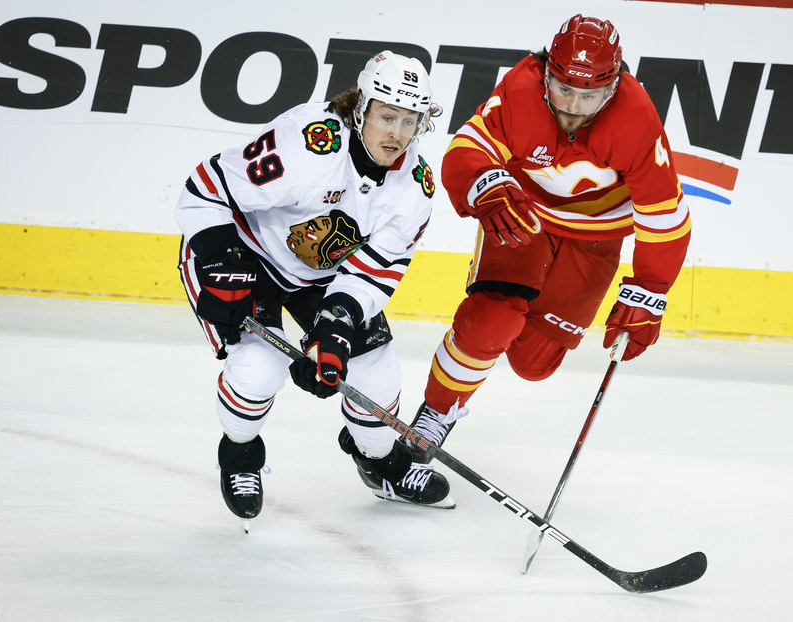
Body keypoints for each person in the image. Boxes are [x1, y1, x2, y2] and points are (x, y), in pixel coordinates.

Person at [397, 15, 693, 501]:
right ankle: (435, 414)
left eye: (589, 95)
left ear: (614, 86)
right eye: (562, 89)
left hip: (594, 239)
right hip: (522, 215)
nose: (572, 108)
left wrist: (652, 289)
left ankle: (507, 341)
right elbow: (464, 149)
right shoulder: (520, 85)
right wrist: (486, 188)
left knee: (535, 363)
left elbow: (665, 214)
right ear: (546, 71)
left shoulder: (636, 116)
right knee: (492, 319)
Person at [176, 51, 454, 529]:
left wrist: (336, 327)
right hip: (246, 254)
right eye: (387, 117)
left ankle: (380, 463)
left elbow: (376, 268)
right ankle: (240, 453)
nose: (398, 134)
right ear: (362, 107)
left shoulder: (416, 186)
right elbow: (205, 189)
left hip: (323, 275)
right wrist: (225, 263)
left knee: (375, 372)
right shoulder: (310, 147)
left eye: (411, 122)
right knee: (260, 369)